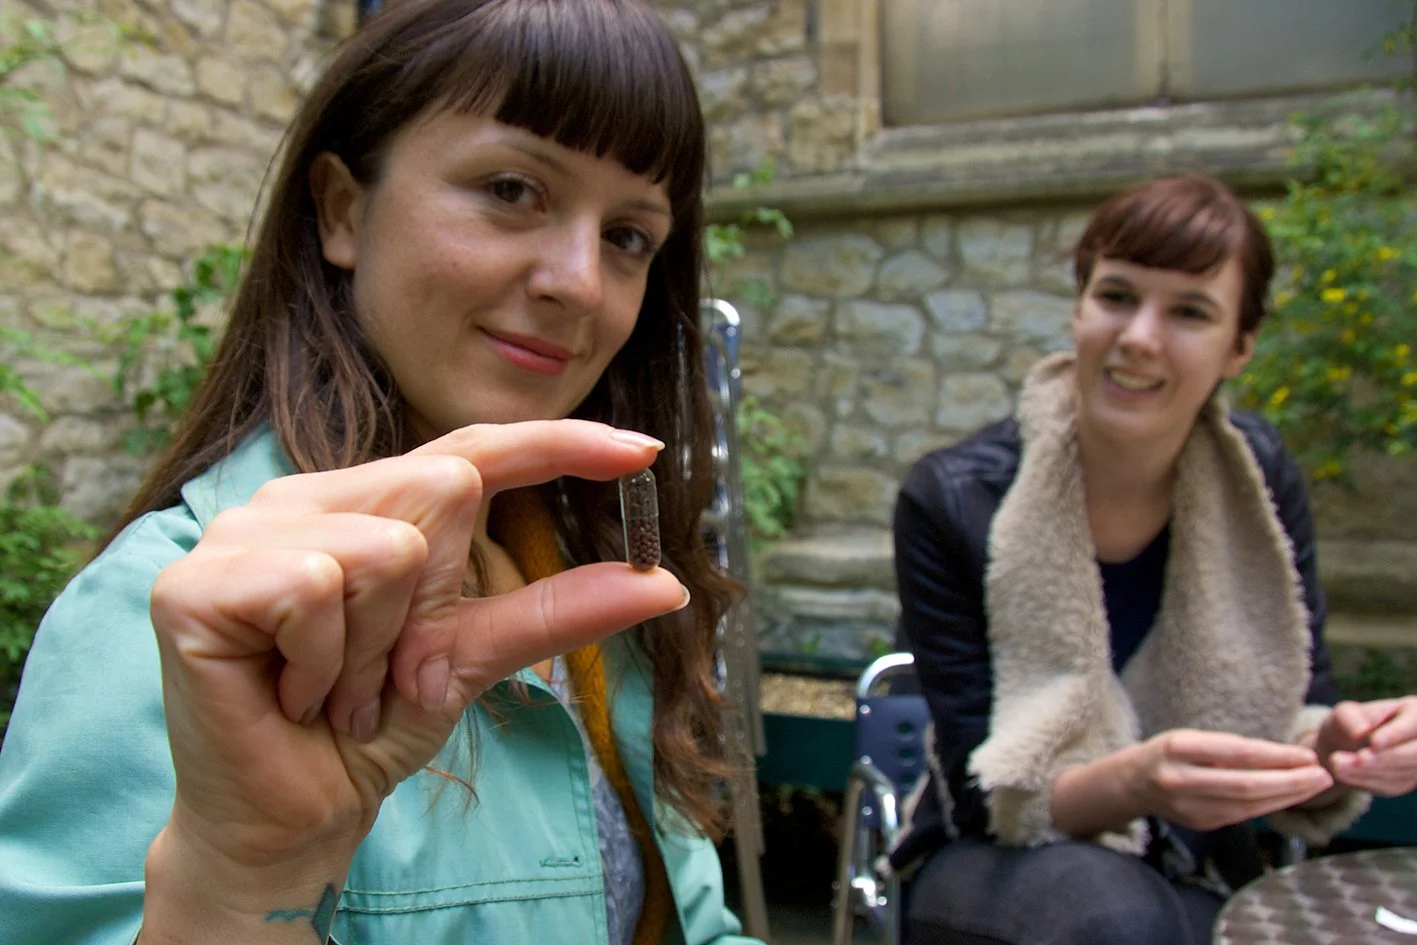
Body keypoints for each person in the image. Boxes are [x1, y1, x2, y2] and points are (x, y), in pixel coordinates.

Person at [0, 2, 764, 943]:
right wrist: (238, 890)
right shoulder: (167, 626)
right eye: (514, 188)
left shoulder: (594, 584)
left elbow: (694, 923)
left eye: (629, 237)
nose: (579, 281)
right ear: (341, 209)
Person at [888, 174, 1417, 945]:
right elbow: (981, 798)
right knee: (1121, 920)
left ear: (1238, 346)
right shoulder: (950, 497)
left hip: (1198, 868)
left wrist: (1347, 751)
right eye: (1115, 296)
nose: (1138, 335)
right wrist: (1139, 780)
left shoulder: (1261, 478)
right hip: (991, 859)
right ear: (1077, 308)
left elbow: (1293, 719)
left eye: (1189, 311)